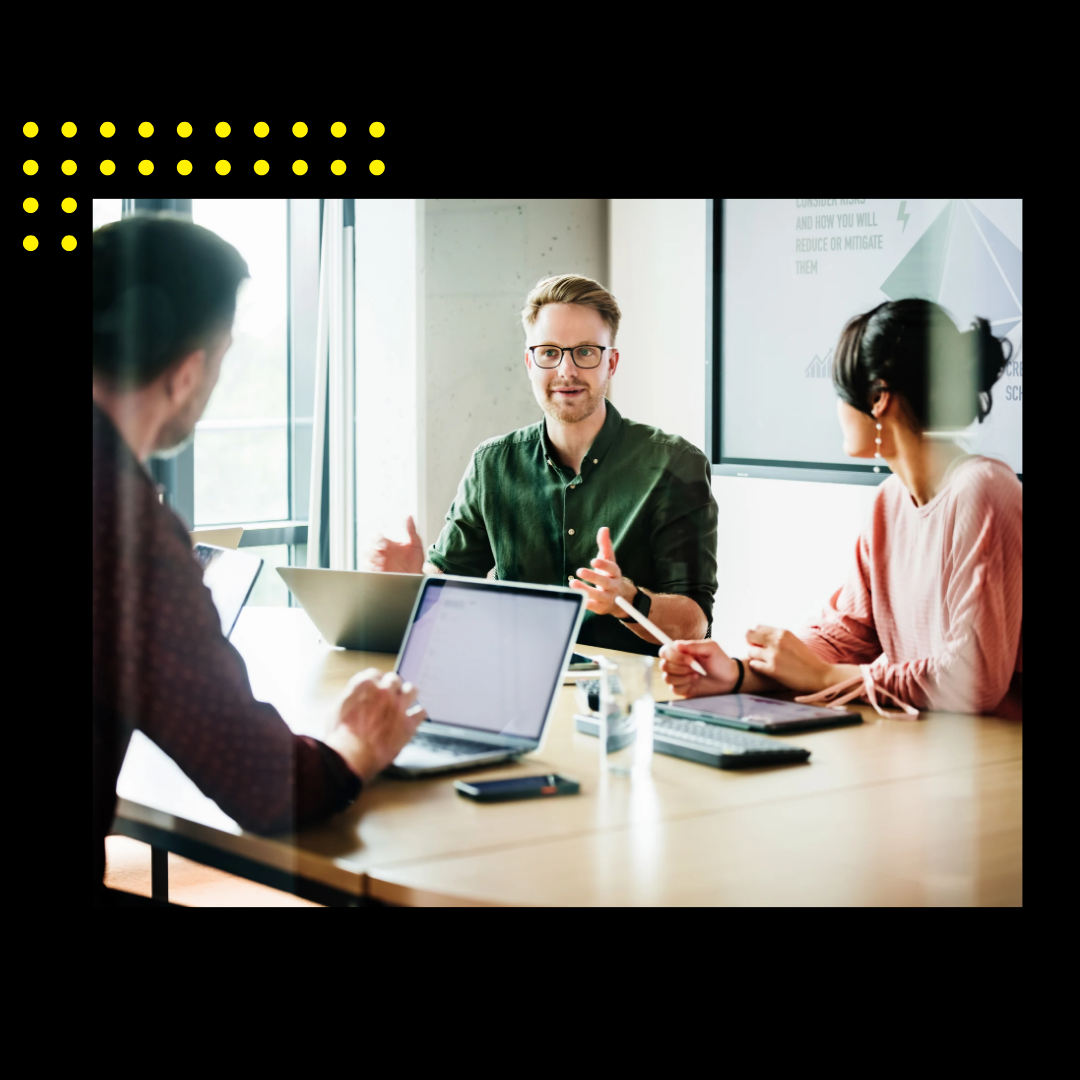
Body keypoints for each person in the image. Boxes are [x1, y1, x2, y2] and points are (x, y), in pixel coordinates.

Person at [93, 214, 425, 904]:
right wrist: (357, 743)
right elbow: (265, 785)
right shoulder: (126, 533)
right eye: (221, 357)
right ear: (186, 375)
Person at [660, 298, 1022, 717]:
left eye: (840, 394)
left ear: (878, 397)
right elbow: (842, 637)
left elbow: (974, 680)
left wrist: (826, 679)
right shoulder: (888, 503)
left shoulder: (984, 492)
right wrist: (741, 672)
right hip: (923, 749)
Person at [370, 274, 718, 655]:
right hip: (514, 687)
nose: (566, 371)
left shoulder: (674, 464)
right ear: (529, 363)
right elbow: (446, 592)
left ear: (611, 362)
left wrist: (628, 599)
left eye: (585, 351)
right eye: (550, 352)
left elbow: (694, 624)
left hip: (625, 700)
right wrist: (408, 585)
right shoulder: (493, 465)